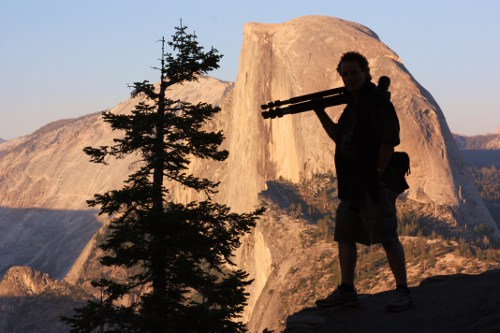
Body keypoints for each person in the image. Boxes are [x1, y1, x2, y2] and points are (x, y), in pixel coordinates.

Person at [313, 51, 413, 312]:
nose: (349, 78)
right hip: (352, 185)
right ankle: (347, 290)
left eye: (354, 73)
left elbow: (389, 141)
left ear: (365, 73)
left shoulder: (377, 102)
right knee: (345, 235)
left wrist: (379, 174)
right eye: (345, 74)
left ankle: (403, 290)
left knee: (387, 236)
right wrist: (320, 112)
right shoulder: (352, 107)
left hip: (372, 182)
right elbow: (339, 137)